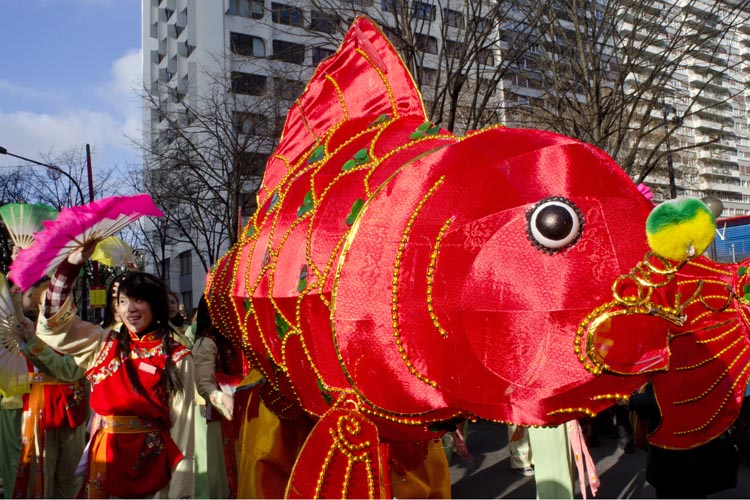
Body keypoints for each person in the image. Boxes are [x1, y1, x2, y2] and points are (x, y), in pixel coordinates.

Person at [35, 246, 195, 499]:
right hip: (106, 457)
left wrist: (181, 491)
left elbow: (184, 431)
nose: (129, 308)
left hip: (152, 465)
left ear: (156, 304)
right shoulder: (102, 343)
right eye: (122, 301)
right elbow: (56, 326)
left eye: (138, 299)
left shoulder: (177, 357)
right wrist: (71, 265)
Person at [629, 382, 739, 498]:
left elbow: (662, 404)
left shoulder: (666, 372)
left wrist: (635, 401)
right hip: (694, 456)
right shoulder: (711, 369)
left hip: (671, 460)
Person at [192, 295, 246, 498]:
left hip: (245, 416)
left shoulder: (239, 337)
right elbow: (204, 384)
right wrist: (221, 399)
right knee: (225, 477)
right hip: (222, 418)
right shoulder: (208, 341)